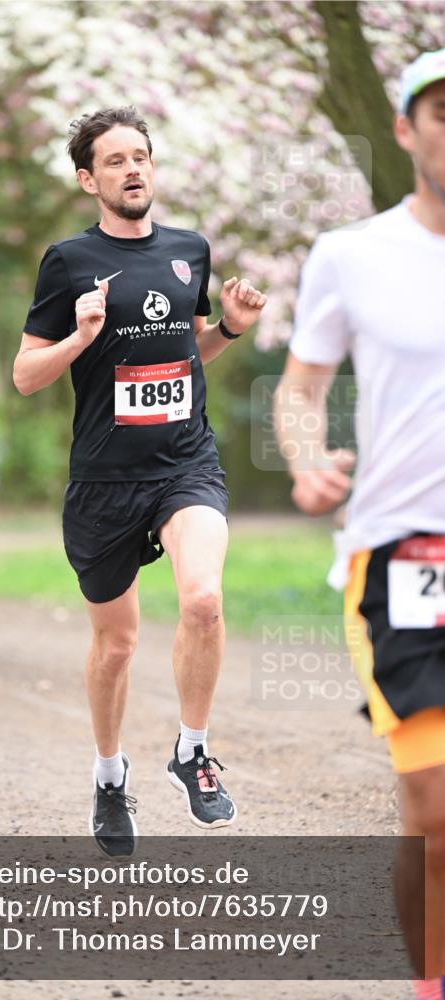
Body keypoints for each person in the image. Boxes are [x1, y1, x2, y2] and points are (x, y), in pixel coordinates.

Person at [14, 106, 266, 857]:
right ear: (89, 178)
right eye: (116, 160)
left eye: (142, 157)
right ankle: (107, 774)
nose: (133, 170)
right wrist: (80, 337)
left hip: (184, 466)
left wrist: (226, 330)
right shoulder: (66, 262)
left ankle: (192, 751)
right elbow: (26, 376)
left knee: (204, 600)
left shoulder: (190, 250)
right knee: (117, 646)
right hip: (102, 481)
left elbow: (183, 354)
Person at [273, 49, 445, 991]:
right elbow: (301, 389)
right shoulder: (351, 254)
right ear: (406, 129)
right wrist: (305, 460)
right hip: (402, 555)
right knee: (431, 803)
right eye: (443, 111)